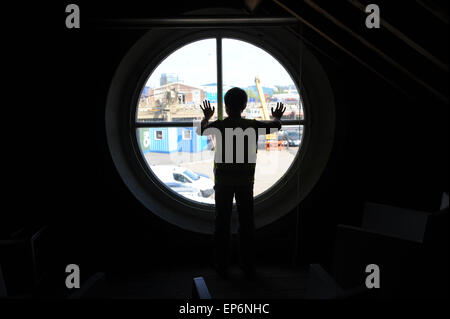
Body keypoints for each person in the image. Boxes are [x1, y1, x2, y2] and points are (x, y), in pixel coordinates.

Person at [199, 87, 285, 278]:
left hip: (223, 181)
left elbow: (202, 130)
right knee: (246, 223)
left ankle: (221, 263)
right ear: (245, 106)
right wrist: (277, 117)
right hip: (246, 181)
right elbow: (275, 126)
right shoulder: (252, 125)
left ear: (226, 107)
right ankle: (247, 263)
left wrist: (206, 116)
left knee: (222, 222)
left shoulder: (220, 126)